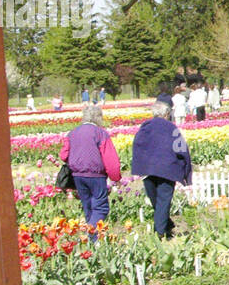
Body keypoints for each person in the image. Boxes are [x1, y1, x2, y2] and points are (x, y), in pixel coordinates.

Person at [130, 101, 193, 238]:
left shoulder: (145, 128)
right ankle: (161, 232)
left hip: (148, 169)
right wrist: (186, 170)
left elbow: (137, 146)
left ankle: (162, 229)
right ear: (166, 114)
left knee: (157, 201)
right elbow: (182, 149)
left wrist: (139, 165)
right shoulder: (171, 128)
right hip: (168, 169)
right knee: (163, 201)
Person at [60, 104, 122, 229]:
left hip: (77, 175)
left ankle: (92, 240)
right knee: (100, 207)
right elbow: (110, 159)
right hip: (96, 175)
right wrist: (116, 177)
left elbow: (63, 155)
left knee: (87, 206)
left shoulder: (72, 133)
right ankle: (93, 235)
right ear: (98, 118)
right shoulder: (100, 134)